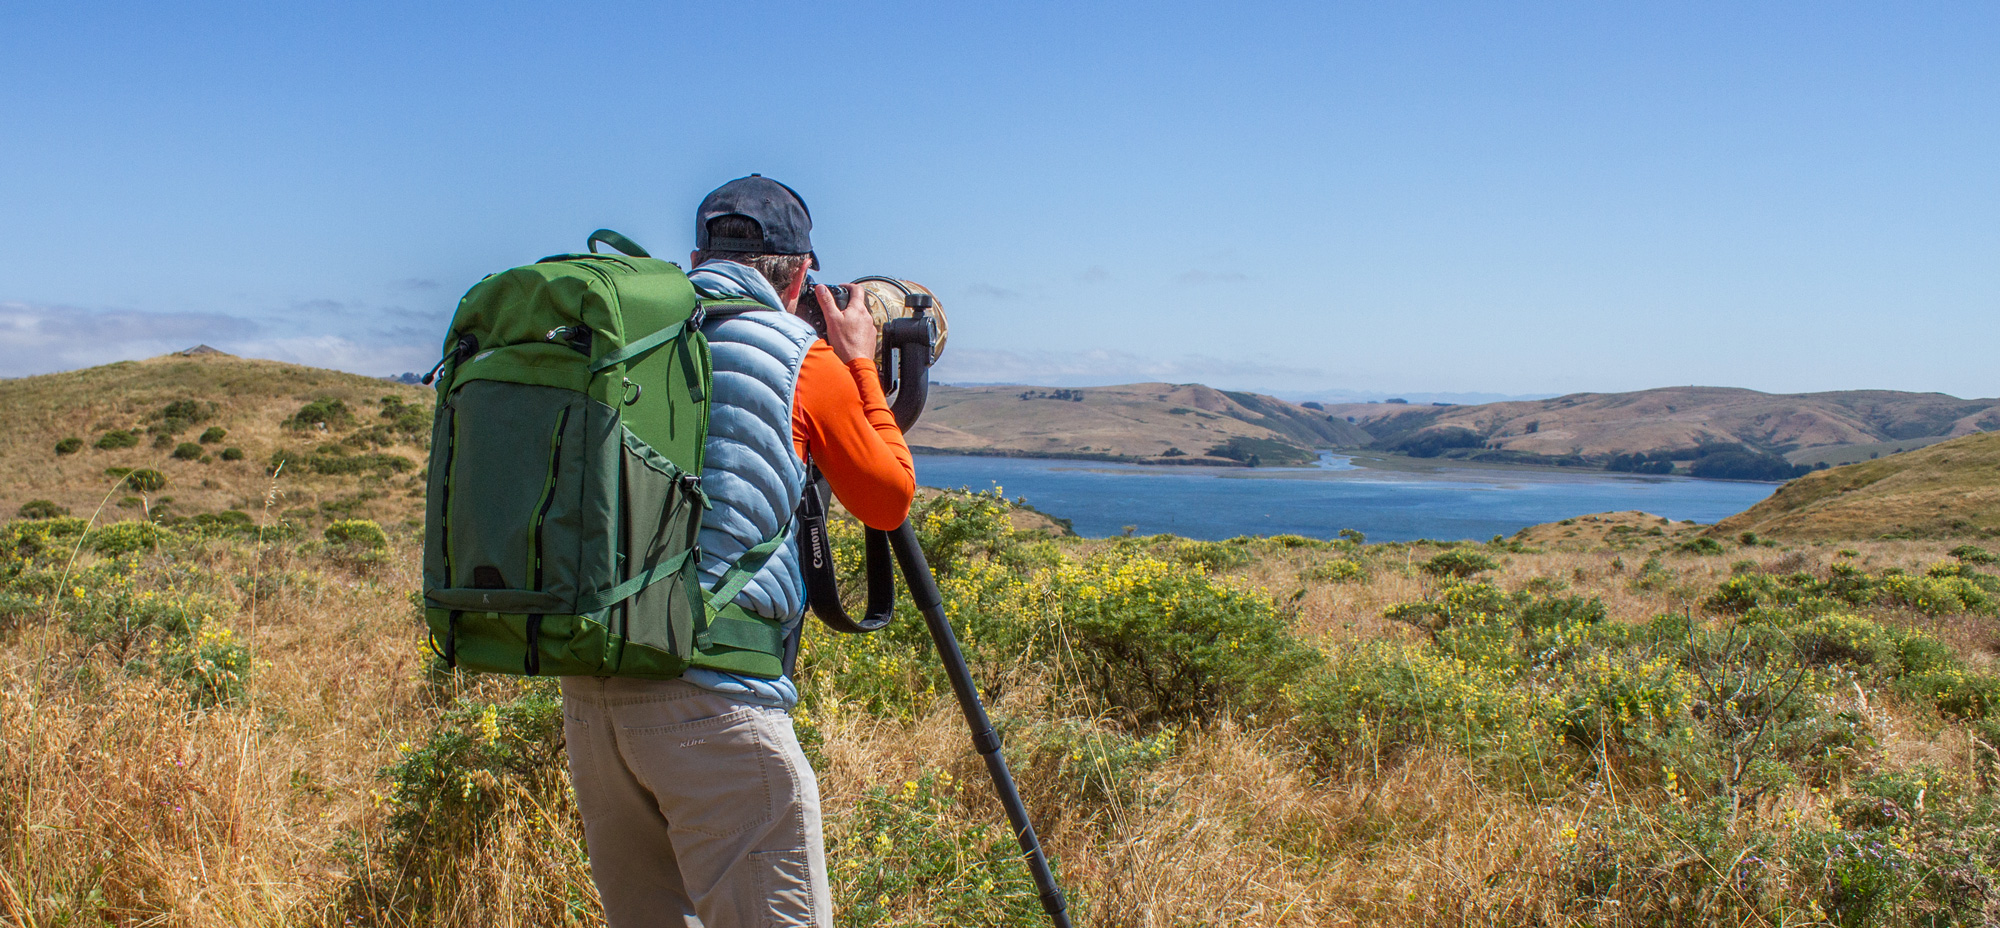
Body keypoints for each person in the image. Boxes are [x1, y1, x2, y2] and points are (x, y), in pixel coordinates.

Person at [558, 175, 917, 927]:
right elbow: (887, 497)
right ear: (799, 276)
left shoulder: (634, 338)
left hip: (595, 695)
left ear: (696, 256)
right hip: (713, 702)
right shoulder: (796, 355)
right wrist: (858, 361)